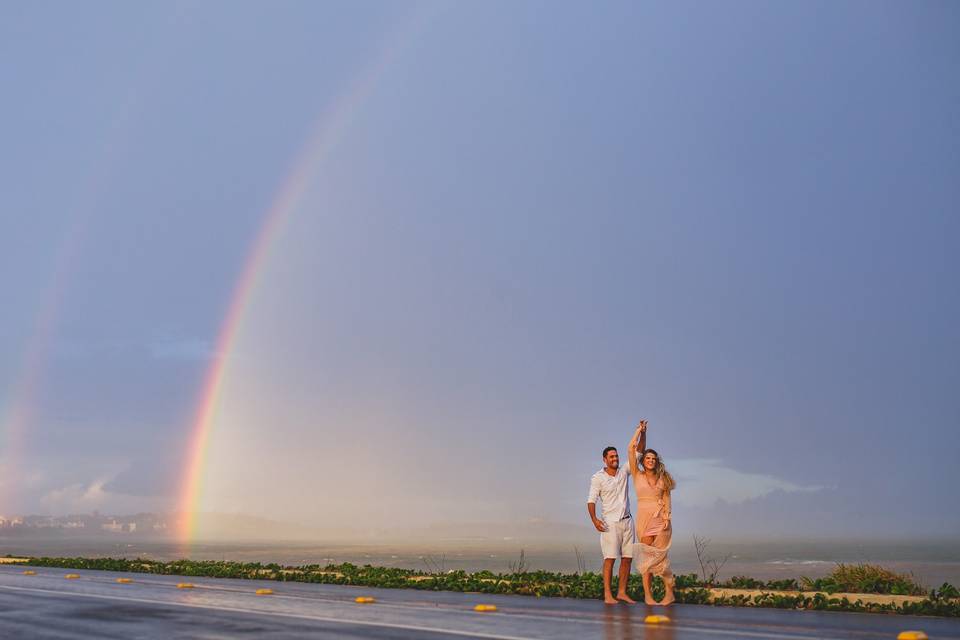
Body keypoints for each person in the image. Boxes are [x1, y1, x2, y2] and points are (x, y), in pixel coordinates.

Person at [587, 424, 646, 604]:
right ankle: (607, 594)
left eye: (616, 455)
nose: (615, 458)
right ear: (604, 459)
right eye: (611, 456)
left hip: (627, 522)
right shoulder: (598, 477)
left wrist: (643, 433)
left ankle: (621, 592)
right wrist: (595, 520)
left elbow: (639, 453)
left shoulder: (624, 472)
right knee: (610, 559)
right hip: (609, 524)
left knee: (627, 559)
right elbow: (591, 500)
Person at [628, 420, 676, 606]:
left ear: (657, 461)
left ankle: (669, 592)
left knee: (660, 556)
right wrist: (640, 431)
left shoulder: (663, 478)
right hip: (644, 518)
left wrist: (667, 517)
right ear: (643, 461)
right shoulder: (636, 473)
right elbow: (631, 449)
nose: (650, 460)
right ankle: (648, 596)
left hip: (661, 519)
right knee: (647, 557)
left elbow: (666, 499)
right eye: (647, 458)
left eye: (653, 459)